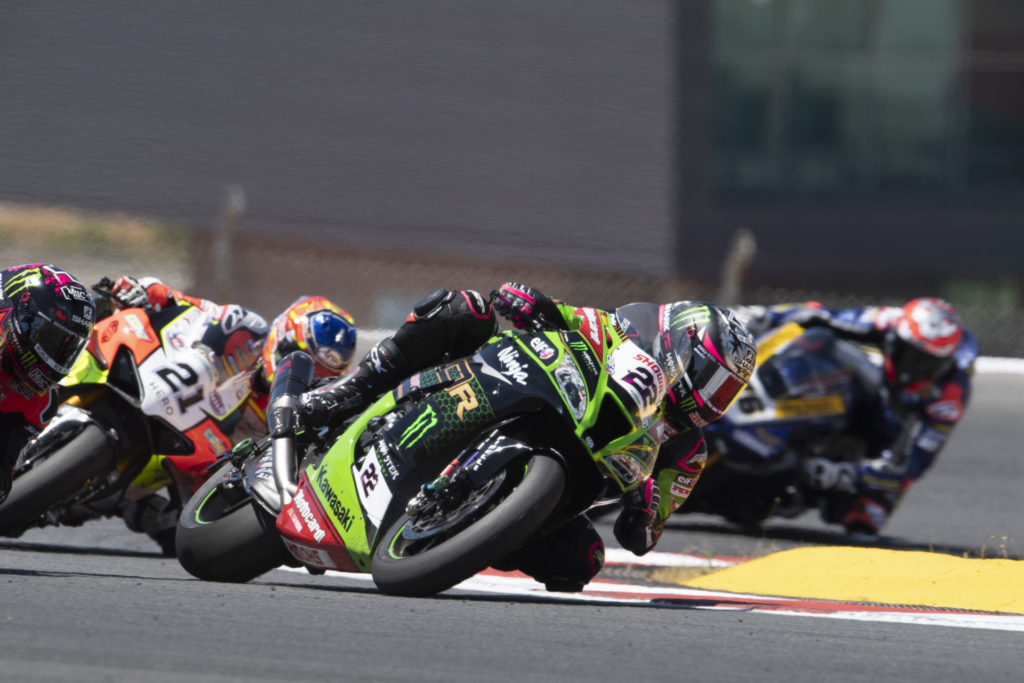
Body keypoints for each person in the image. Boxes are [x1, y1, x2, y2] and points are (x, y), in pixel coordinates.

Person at [299, 282, 756, 591]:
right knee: (465, 308)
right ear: (681, 344)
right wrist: (530, 300)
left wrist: (644, 507)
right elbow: (559, 313)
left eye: (726, 389)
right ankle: (351, 389)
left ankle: (474, 533)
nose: (712, 397)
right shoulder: (619, 331)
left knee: (584, 561)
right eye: (711, 377)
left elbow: (646, 533)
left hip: (568, 481)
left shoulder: (689, 451)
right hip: (516, 389)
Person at [105, 276, 357, 547]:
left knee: (185, 537)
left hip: (192, 467)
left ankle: (137, 508)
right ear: (281, 338)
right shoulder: (242, 333)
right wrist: (144, 290)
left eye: (316, 374)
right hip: (154, 402)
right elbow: (182, 303)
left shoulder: (294, 416)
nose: (299, 373)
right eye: (296, 356)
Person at [735, 297, 977, 538]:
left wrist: (847, 473)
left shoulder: (950, 395)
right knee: (818, 340)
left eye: (929, 363)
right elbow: (818, 315)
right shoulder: (888, 321)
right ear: (896, 339)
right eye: (912, 356)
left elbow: (914, 463)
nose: (916, 368)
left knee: (867, 520)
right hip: (867, 391)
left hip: (888, 435)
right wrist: (765, 316)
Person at [0, 264, 97, 505]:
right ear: (24, 314)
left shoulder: (39, 402)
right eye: (52, 339)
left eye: (69, 347)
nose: (57, 356)